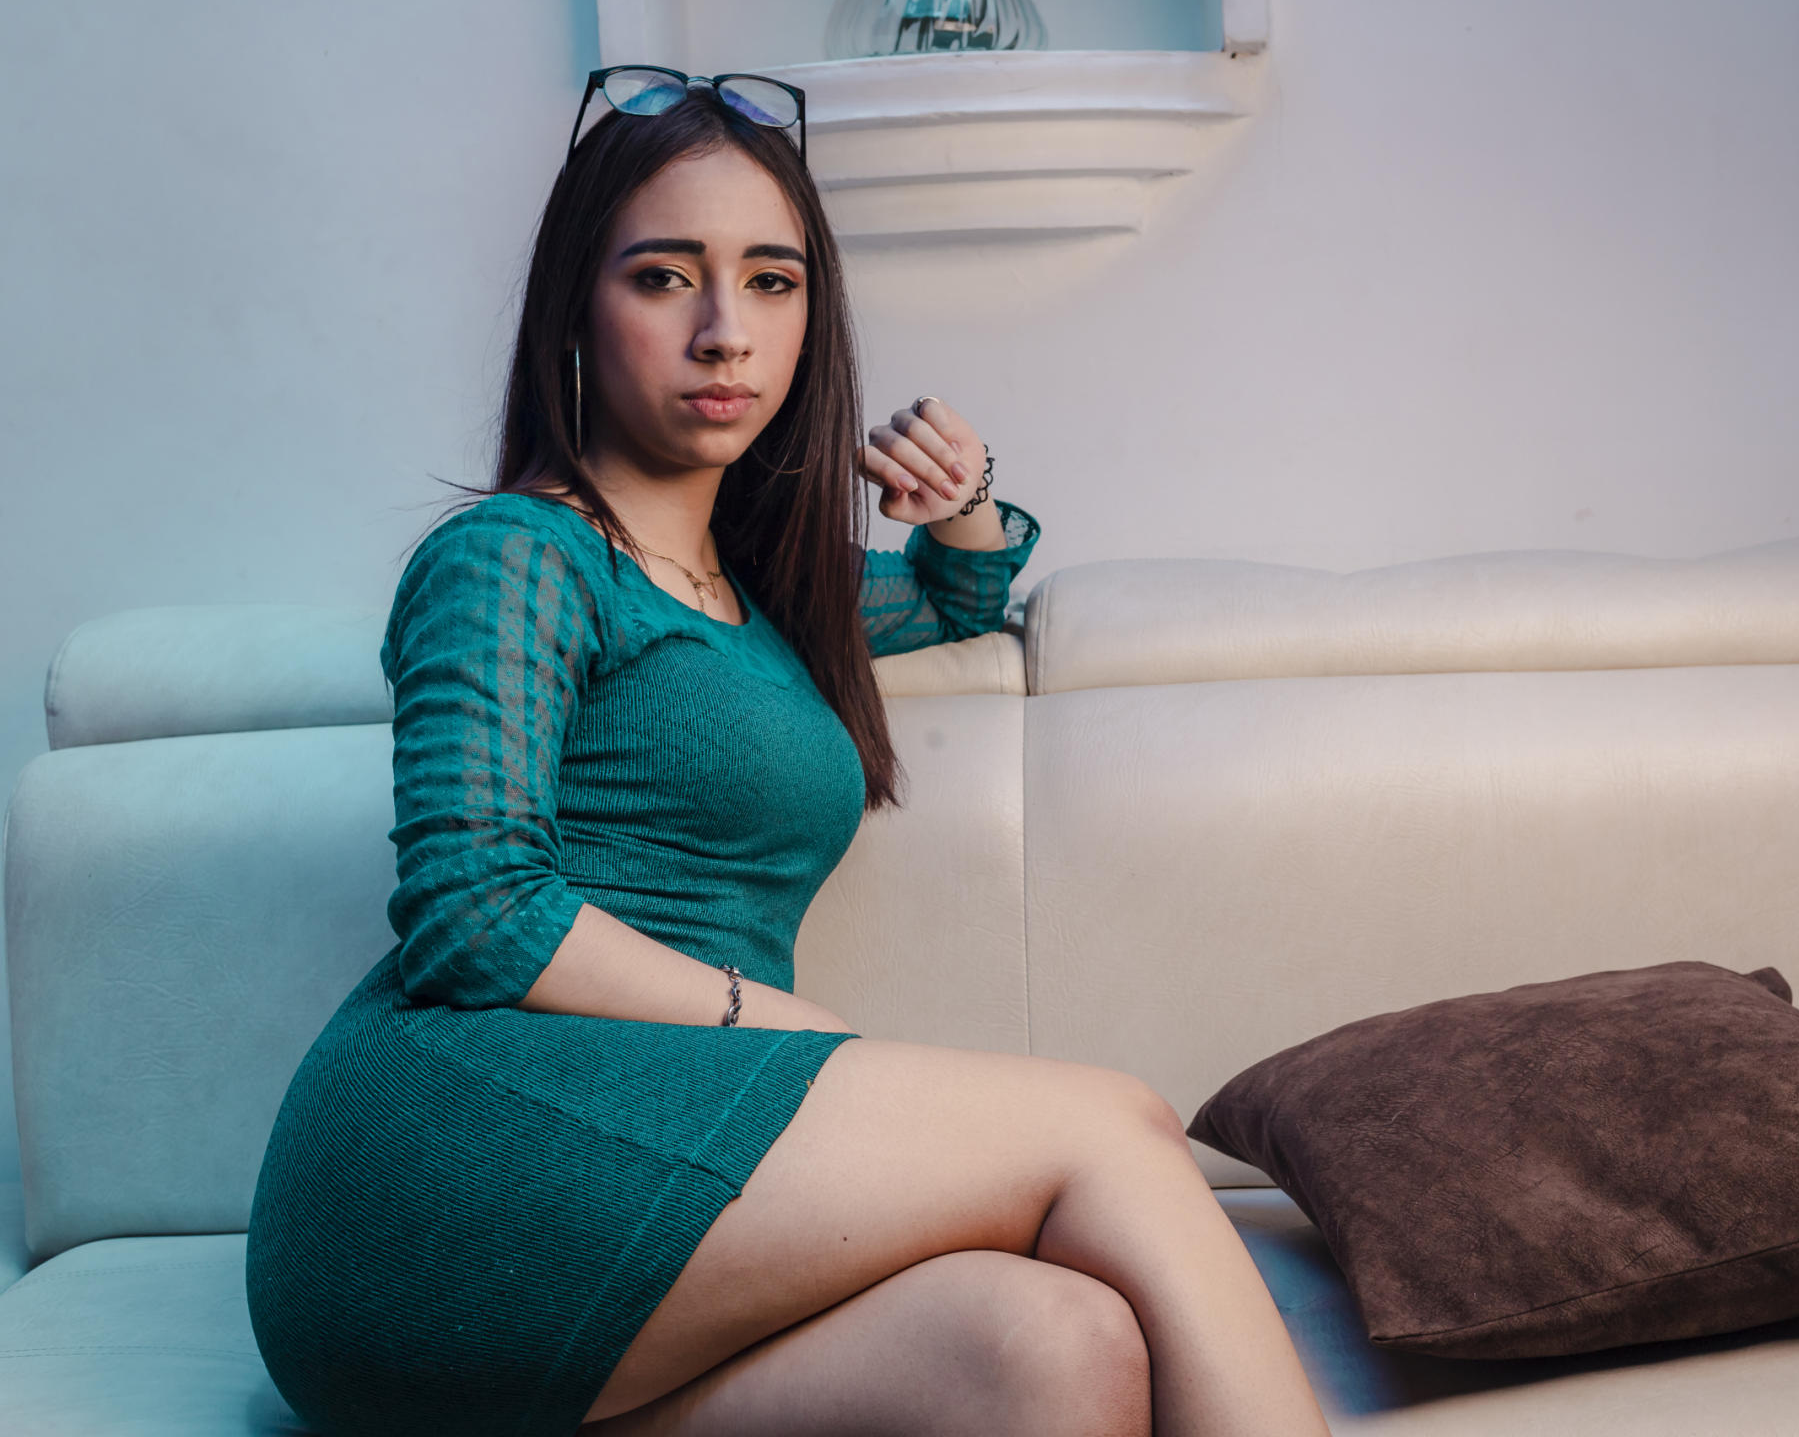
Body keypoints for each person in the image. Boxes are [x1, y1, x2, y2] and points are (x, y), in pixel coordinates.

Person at [243, 71, 1334, 1437]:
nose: (724, 334)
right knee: (1110, 1123)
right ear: (575, 308)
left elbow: (954, 598)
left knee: (1052, 1348)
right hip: (447, 1156)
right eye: (664, 278)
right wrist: (776, 1024)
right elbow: (475, 916)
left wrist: (965, 501)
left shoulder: (762, 599)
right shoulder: (517, 554)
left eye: (772, 283)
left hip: (651, 1165)